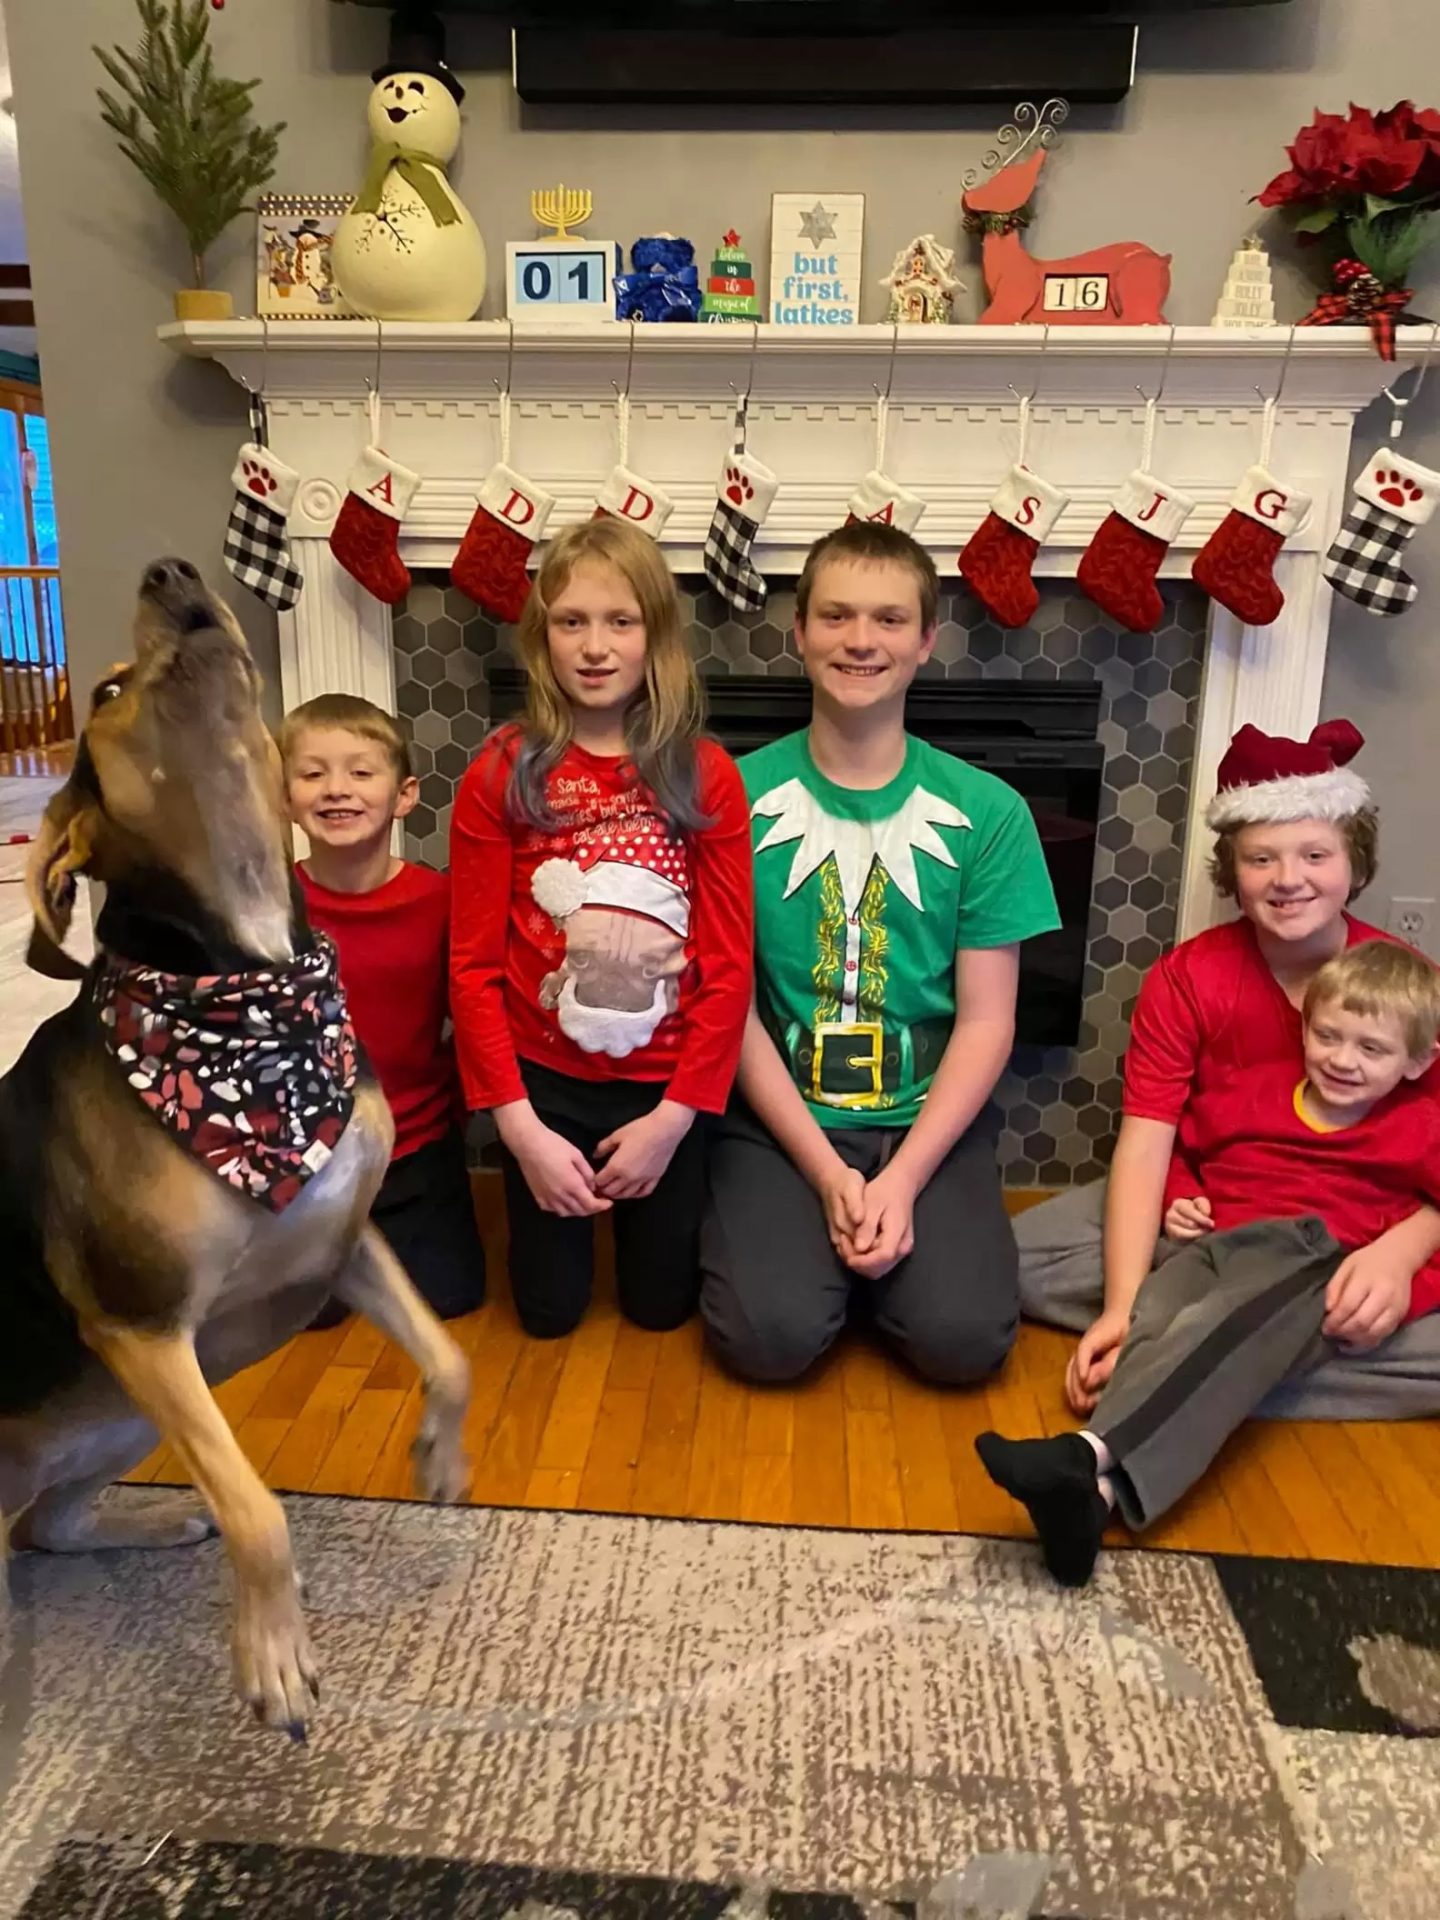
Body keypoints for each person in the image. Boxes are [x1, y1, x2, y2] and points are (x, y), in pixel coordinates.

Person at [700, 522, 1061, 1384]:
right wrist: (828, 1175)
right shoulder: (732, 797)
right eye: (837, 616)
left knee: (964, 1346)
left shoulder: (989, 811)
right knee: (767, 1339)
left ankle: (888, 1242)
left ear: (927, 640)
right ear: (800, 632)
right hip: (782, 1119)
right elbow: (731, 1007)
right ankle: (813, 1246)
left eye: (890, 620)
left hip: (925, 1117)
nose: (862, 640)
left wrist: (900, 1181)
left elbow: (986, 1020)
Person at [1016, 718, 1440, 1422]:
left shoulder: (1409, 989)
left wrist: (1400, 1254)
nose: (1288, 880)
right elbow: (1148, 1141)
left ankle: (1195, 1355)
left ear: (1354, 864)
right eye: (1261, 859)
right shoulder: (1188, 978)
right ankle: (1219, 1351)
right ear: (1231, 870)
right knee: (1021, 1261)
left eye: (1314, 855)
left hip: (1358, 1229)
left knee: (1366, 1307)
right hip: (1221, 1215)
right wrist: (1122, 1306)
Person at [979, 939, 1440, 1585]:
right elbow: (1180, 1150)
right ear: (1304, 1026)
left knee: (1229, 1319)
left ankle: (1086, 1453)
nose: (1342, 1060)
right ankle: (1095, 1502)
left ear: (1419, 1062)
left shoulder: (1422, 1128)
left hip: (1307, 1260)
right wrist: (1179, 1198)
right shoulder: (1250, 1090)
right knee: (1162, 1319)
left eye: (1371, 1049)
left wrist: (1408, 1282)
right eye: (1329, 1036)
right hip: (1212, 1245)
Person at [449, 517, 752, 1338]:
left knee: (661, 1311)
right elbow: (471, 967)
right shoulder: (502, 770)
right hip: (543, 1089)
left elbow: (729, 969)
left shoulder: (705, 773)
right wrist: (517, 1127)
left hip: (664, 1089)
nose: (594, 646)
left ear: (655, 636)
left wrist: (675, 1119)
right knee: (546, 1315)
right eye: (571, 622)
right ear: (541, 637)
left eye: (620, 622)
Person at [282, 692, 485, 1322]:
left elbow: (475, 1013)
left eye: (361, 772)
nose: (336, 789)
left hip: (415, 1145)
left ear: (405, 795)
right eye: (313, 773)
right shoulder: (270, 909)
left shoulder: (441, 902)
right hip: (303, 1160)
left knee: (453, 1300)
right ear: (283, 797)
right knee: (309, 1319)